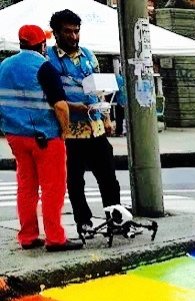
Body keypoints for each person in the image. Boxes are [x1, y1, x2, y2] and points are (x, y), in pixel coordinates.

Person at [0, 25, 82, 252]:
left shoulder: (3, 67)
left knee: (26, 187)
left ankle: (27, 236)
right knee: (52, 188)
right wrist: (64, 131)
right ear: (41, 45)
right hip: (45, 137)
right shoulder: (44, 67)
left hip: (16, 136)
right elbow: (60, 106)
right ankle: (55, 238)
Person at [48, 9, 123, 238]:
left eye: (76, 31)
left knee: (109, 177)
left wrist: (107, 117)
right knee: (75, 181)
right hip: (70, 131)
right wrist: (73, 107)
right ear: (56, 33)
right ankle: (84, 222)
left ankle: (115, 219)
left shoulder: (89, 55)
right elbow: (50, 96)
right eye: (68, 32)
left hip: (96, 127)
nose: (73, 36)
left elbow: (99, 88)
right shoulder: (49, 59)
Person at [112, 71, 126, 136]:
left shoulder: (118, 79)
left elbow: (115, 89)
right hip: (127, 100)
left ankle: (119, 131)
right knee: (124, 116)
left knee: (119, 117)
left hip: (120, 100)